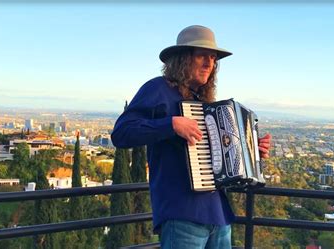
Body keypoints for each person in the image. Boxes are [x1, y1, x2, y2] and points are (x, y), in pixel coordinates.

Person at [111, 25, 271, 249]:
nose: (210, 63)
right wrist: (171, 124)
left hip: (219, 216)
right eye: (202, 56)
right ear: (183, 58)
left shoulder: (205, 103)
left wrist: (253, 152)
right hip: (183, 214)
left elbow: (224, 160)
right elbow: (121, 134)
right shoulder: (158, 89)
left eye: (213, 58)